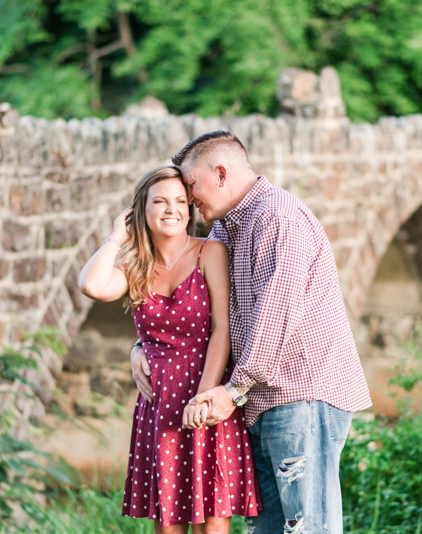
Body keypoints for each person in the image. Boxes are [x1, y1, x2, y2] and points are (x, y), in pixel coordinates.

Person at [130, 132, 372, 533]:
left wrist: (231, 390)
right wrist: (142, 346)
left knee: (306, 528)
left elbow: (275, 320)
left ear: (220, 174)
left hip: (301, 397)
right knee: (269, 529)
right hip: (259, 399)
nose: (188, 200)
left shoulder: (278, 219)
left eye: (190, 186)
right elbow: (193, 313)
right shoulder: (226, 230)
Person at [79, 166, 260, 534]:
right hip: (160, 402)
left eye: (180, 201)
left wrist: (206, 397)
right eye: (159, 201)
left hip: (207, 392)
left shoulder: (210, 251)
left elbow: (222, 328)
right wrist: (117, 235)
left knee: (214, 522)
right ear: (140, 211)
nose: (171, 209)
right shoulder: (135, 266)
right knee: (168, 523)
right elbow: (91, 285)